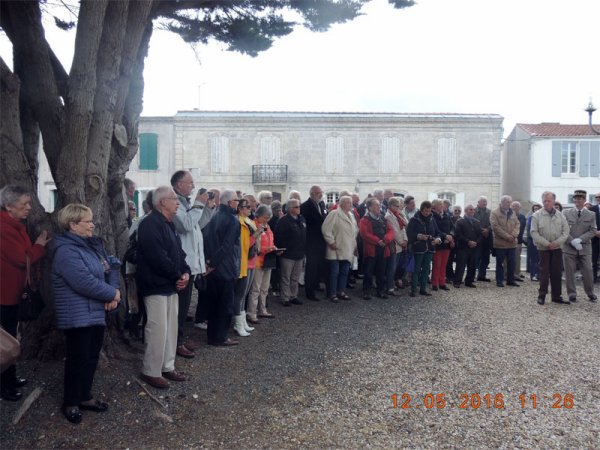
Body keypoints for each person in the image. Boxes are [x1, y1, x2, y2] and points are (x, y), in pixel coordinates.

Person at [52, 203, 121, 423]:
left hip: (95, 312)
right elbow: (83, 282)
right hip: (77, 315)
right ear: (73, 225)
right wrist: (113, 294)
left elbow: (110, 267)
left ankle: (85, 396)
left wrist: (113, 292)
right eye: (88, 221)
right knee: (77, 359)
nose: (93, 224)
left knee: (91, 357)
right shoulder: (65, 251)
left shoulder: (92, 246)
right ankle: (71, 402)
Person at [137, 186, 191, 388]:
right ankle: (151, 370)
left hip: (170, 285)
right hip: (155, 285)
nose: (178, 202)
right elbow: (157, 257)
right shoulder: (150, 224)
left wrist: (185, 272)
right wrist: (178, 275)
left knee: (171, 328)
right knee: (157, 329)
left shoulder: (169, 224)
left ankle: (168, 366)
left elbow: (179, 253)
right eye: (174, 199)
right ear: (162, 202)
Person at [0, 185, 49, 402]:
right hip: (4, 294)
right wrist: (39, 246)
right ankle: (4, 386)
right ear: (9, 206)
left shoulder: (14, 224)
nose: (29, 208)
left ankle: (10, 379)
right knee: (5, 342)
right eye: (25, 204)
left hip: (11, 292)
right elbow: (22, 258)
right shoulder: (4, 227)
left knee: (10, 337)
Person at [170, 170, 207, 359]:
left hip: (191, 263)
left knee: (184, 307)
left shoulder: (186, 203)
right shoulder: (174, 203)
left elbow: (196, 227)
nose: (192, 186)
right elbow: (184, 225)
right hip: (183, 263)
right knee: (180, 306)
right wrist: (199, 204)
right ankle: (176, 343)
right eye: (189, 182)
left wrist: (205, 207)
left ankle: (180, 339)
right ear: (178, 185)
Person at [202, 190, 241, 346]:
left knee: (213, 304)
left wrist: (208, 262)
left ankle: (212, 336)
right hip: (223, 267)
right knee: (224, 305)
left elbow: (206, 239)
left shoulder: (214, 216)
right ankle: (221, 337)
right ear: (230, 202)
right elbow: (227, 246)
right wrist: (212, 264)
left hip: (213, 265)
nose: (238, 203)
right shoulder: (232, 220)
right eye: (236, 200)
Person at [530, 191, 569, 305]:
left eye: (549, 201)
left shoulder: (561, 215)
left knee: (557, 273)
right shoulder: (536, 215)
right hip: (543, 249)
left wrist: (556, 243)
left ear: (553, 201)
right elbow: (534, 232)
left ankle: (556, 296)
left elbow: (566, 232)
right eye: (544, 201)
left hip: (557, 249)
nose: (546, 203)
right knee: (544, 272)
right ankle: (542, 295)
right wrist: (547, 244)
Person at [562, 190, 597, 303]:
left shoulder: (591, 214)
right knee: (569, 272)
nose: (578, 200)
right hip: (569, 247)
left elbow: (593, 230)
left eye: (580, 198)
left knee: (588, 271)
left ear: (584, 200)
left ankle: (590, 293)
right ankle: (572, 294)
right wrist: (572, 241)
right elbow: (562, 229)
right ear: (574, 199)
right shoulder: (566, 212)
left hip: (584, 248)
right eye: (576, 198)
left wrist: (580, 239)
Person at [321, 195, 358, 302]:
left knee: (344, 272)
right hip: (335, 248)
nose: (350, 204)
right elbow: (326, 229)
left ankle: (341, 291)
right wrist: (331, 242)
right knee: (334, 272)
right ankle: (332, 293)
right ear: (341, 203)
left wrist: (354, 245)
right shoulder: (334, 214)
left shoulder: (351, 215)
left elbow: (354, 232)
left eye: (351, 202)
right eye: (347, 202)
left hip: (348, 248)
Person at [247, 205, 278, 323]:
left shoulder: (267, 226)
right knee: (255, 289)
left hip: (267, 260)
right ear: (258, 216)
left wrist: (274, 248)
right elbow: (255, 246)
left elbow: (270, 240)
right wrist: (268, 248)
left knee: (264, 288)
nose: (267, 220)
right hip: (257, 261)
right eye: (265, 217)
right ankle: (252, 313)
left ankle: (262, 310)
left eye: (268, 218)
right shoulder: (254, 225)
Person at [232, 198, 259, 336]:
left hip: (252, 260)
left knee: (244, 293)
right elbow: (245, 244)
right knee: (240, 294)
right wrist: (256, 235)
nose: (250, 209)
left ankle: (242, 321)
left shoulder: (249, 221)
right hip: (244, 262)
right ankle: (238, 323)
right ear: (240, 208)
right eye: (247, 207)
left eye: (250, 206)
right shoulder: (240, 222)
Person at [359, 198, 394, 300]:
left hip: (383, 249)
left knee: (381, 272)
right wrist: (378, 241)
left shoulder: (383, 218)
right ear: (370, 207)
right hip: (371, 250)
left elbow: (391, 231)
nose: (379, 207)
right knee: (368, 272)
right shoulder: (364, 220)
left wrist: (386, 240)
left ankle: (380, 290)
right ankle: (366, 291)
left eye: (379, 205)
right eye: (376, 205)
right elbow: (364, 234)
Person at [406, 201, 442, 297]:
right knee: (416, 269)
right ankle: (413, 289)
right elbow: (409, 233)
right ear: (421, 210)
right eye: (425, 211)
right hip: (418, 248)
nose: (427, 213)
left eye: (429, 211)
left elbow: (437, 232)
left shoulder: (432, 219)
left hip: (430, 247)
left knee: (426, 269)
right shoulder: (414, 220)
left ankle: (423, 289)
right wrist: (419, 236)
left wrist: (438, 239)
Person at [274, 199, 306, 307]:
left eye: (299, 206)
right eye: (296, 207)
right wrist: (282, 249)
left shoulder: (301, 218)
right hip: (288, 254)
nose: (299, 208)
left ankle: (293, 296)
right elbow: (278, 237)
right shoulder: (283, 221)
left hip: (299, 253)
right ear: (290, 209)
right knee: (285, 277)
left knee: (295, 277)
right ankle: (285, 297)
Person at [301, 185, 328, 301]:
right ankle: (309, 291)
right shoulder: (305, 206)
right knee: (311, 267)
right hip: (311, 241)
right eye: (318, 193)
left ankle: (316, 284)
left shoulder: (322, 205)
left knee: (320, 266)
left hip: (322, 241)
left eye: (321, 192)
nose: (320, 194)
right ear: (312, 193)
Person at [490, 195, 520, 287]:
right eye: (507, 202)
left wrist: (514, 235)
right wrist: (507, 236)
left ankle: (510, 280)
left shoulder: (512, 213)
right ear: (502, 202)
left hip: (512, 243)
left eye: (510, 202)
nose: (509, 204)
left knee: (512, 263)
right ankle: (499, 280)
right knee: (500, 263)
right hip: (500, 243)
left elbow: (517, 224)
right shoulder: (494, 213)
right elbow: (495, 227)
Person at [453, 203, 482, 288]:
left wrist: (476, 242)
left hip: (474, 248)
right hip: (463, 247)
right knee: (461, 265)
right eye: (471, 209)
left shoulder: (477, 222)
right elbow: (458, 235)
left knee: (472, 265)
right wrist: (468, 242)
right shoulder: (460, 222)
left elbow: (480, 234)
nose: (473, 211)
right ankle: (457, 281)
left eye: (473, 209)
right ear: (466, 211)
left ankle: (469, 281)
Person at [384, 197, 408, 296]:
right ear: (390, 206)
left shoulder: (398, 215)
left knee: (396, 266)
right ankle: (389, 287)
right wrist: (401, 242)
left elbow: (404, 227)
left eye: (399, 206)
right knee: (391, 267)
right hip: (394, 245)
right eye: (397, 206)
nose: (399, 208)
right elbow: (394, 231)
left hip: (401, 244)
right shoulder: (388, 216)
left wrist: (406, 240)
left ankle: (391, 285)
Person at [431, 199, 454, 291]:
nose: (442, 206)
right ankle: (435, 283)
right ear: (435, 206)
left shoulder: (447, 216)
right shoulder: (432, 216)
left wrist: (451, 236)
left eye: (442, 204)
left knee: (444, 264)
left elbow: (452, 228)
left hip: (447, 243)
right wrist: (445, 237)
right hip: (438, 243)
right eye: (440, 204)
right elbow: (435, 230)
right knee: (437, 264)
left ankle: (442, 282)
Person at [474, 196, 492, 282]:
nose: (485, 203)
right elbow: (472, 222)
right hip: (477, 237)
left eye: (486, 201)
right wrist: (482, 230)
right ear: (478, 202)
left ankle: (482, 275)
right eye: (483, 201)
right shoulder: (473, 211)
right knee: (476, 257)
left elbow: (493, 223)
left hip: (487, 237)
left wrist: (488, 229)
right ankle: (472, 275)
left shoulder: (490, 212)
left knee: (486, 257)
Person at [526, 203, 542, 281]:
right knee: (533, 259)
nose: (536, 210)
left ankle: (539, 274)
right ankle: (533, 275)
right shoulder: (531, 218)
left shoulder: (543, 218)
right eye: (535, 209)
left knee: (541, 259)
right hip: (532, 242)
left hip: (541, 241)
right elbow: (530, 230)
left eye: (538, 208)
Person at [511, 201, 526, 280]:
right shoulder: (508, 215)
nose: (515, 208)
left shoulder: (522, 217)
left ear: (520, 208)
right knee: (508, 259)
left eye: (517, 206)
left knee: (517, 258)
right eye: (513, 206)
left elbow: (523, 228)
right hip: (510, 240)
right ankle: (507, 274)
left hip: (519, 241)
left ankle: (517, 273)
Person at [591, 192, 600, 283]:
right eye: (597, 197)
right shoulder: (592, 209)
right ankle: (593, 277)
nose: (598, 198)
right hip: (595, 238)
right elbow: (588, 224)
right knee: (594, 259)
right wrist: (595, 232)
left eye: (599, 197)